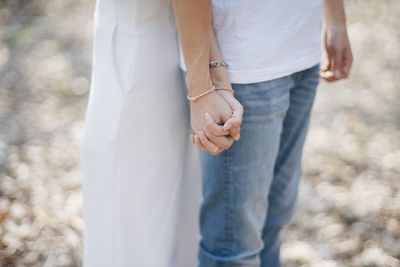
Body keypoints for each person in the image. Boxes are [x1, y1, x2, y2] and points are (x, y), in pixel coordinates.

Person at [173, 0, 353, 266]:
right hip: (240, 66)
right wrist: (202, 88)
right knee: (234, 248)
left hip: (303, 51)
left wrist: (335, 15)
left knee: (274, 219)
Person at [79, 0, 241, 266]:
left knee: (154, 215)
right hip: (141, 50)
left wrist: (205, 83)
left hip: (160, 53)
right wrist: (208, 81)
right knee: (136, 216)